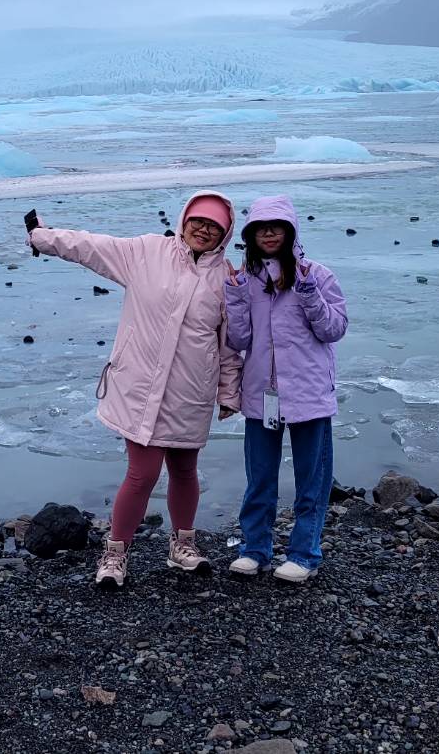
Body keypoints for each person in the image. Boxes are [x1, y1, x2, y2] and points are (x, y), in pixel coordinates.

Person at [27, 191, 242, 587]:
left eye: (213, 227)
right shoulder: (145, 252)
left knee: (184, 470)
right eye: (198, 221)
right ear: (185, 220)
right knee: (142, 473)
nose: (203, 230)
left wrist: (229, 393)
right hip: (140, 384)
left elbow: (227, 343)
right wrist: (43, 237)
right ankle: (115, 554)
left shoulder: (226, 280)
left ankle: (183, 547)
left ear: (224, 234)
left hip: (190, 390)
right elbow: (90, 247)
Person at [223, 195, 348, 583]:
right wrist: (235, 296)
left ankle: (304, 554)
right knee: (260, 477)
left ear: (291, 232)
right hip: (263, 395)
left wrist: (307, 291)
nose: (269, 233)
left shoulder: (318, 275)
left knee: (312, 480)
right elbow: (239, 340)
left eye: (277, 226)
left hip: (309, 395)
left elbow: (333, 330)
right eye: (261, 228)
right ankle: (254, 550)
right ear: (250, 236)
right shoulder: (247, 281)